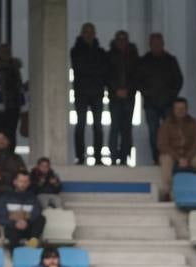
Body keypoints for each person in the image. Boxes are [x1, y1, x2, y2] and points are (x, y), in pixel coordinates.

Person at [137, 33, 183, 165]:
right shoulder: (144, 61)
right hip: (151, 103)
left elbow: (178, 80)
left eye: (159, 43)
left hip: (168, 103)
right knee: (154, 132)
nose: (156, 46)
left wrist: (171, 95)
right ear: (150, 45)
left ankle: (170, 158)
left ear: (163, 44)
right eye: (154, 43)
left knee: (170, 132)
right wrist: (148, 93)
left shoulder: (171, 60)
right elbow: (138, 81)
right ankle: (157, 158)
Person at [156, 97, 196, 202]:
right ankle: (167, 192)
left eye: (183, 108)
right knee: (166, 160)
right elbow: (162, 145)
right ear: (173, 109)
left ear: (187, 109)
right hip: (172, 155)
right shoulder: (166, 124)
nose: (180, 111)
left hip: (190, 155)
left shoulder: (194, 123)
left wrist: (187, 158)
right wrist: (178, 158)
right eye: (177, 108)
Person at [71, 22, 108, 164]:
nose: (89, 34)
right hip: (81, 93)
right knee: (80, 125)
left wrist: (93, 71)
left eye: (91, 31)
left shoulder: (100, 52)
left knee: (97, 126)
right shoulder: (76, 51)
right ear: (82, 33)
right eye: (86, 31)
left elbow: (102, 69)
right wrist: (95, 70)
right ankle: (80, 157)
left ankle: (98, 157)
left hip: (96, 93)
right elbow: (81, 68)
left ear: (94, 33)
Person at [107, 30, 140, 165]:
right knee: (115, 127)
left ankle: (125, 157)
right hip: (114, 97)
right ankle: (114, 157)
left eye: (124, 39)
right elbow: (107, 75)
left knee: (127, 127)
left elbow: (137, 76)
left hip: (129, 96)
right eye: (119, 39)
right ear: (115, 41)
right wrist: (116, 89)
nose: (121, 42)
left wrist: (129, 90)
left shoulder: (134, 56)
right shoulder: (109, 56)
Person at [0, 44, 25, 148]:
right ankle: (1, 153)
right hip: (1, 105)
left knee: (10, 131)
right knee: (2, 131)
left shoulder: (12, 67)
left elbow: (18, 85)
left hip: (12, 104)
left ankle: (10, 153)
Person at [0, 170, 43, 249]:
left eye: (26, 181)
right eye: (21, 181)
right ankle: (15, 255)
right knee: (13, 232)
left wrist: (26, 222)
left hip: (28, 228)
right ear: (15, 182)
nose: (23, 184)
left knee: (41, 218)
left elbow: (37, 213)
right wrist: (15, 223)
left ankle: (32, 245)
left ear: (29, 183)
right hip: (12, 228)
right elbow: (1, 218)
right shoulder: (5, 197)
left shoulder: (33, 198)